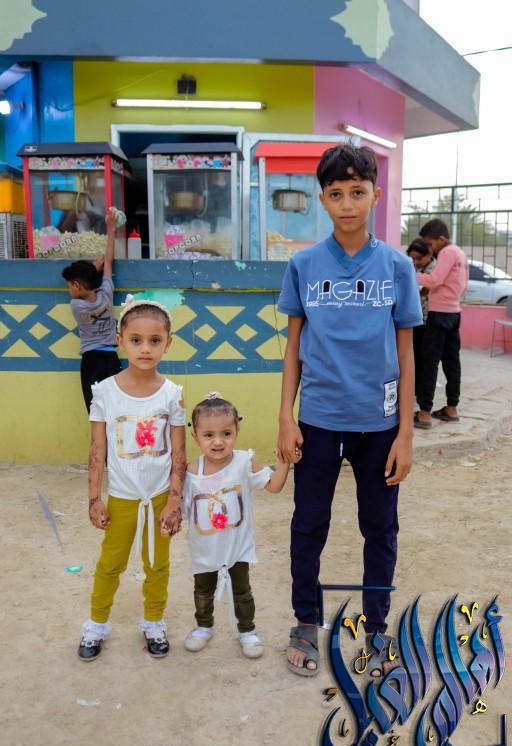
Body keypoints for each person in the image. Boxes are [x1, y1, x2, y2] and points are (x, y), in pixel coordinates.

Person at [276, 143, 422, 677]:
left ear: (375, 195)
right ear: (322, 199)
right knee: (308, 523)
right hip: (317, 419)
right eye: (335, 194)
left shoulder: (397, 267)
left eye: (357, 192)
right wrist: (286, 416)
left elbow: (406, 353)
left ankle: (377, 629)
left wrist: (405, 433)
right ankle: (305, 622)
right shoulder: (303, 265)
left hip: (379, 426)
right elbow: (293, 346)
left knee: (379, 528)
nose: (347, 204)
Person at [77, 295, 186, 661]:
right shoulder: (105, 392)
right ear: (120, 341)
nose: (145, 348)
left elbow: (179, 455)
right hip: (123, 498)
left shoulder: (172, 395)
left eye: (155, 340)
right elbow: (97, 450)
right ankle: (96, 625)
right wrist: (95, 498)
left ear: (168, 344)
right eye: (136, 340)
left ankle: (153, 622)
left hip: (159, 497)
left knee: (157, 565)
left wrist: (174, 501)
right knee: (110, 564)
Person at [182, 392, 291, 659]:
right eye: (209, 435)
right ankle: (203, 626)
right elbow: (182, 511)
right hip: (204, 550)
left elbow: (273, 486)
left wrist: (284, 463)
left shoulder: (244, 462)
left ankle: (247, 631)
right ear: (195, 436)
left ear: (237, 432)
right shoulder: (190, 472)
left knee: (242, 592)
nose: (218, 441)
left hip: (237, 548)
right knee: (203, 591)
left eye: (226, 434)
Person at [62, 208, 121, 412]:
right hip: (111, 358)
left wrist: (93, 269)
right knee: (115, 409)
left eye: (69, 285)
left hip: (91, 360)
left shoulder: (76, 306)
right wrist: (111, 229)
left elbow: (86, 284)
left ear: (77, 285)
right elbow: (109, 261)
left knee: (95, 410)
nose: (69, 290)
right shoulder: (107, 294)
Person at [414, 219, 468, 429]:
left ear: (441, 239)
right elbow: (460, 285)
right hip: (454, 312)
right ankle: (451, 408)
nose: (430, 248)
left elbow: (435, 279)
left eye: (430, 243)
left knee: (429, 362)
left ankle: (424, 413)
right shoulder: (460, 253)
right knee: (452, 362)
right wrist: (432, 290)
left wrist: (412, 275)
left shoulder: (446, 252)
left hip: (438, 315)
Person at [406, 237, 435, 404]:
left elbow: (427, 289)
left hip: (428, 320)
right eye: (413, 258)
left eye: (419, 258)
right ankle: (413, 391)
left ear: (428, 255)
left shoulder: (435, 270)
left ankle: (421, 394)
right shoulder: (410, 266)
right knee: (413, 356)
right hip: (413, 320)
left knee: (425, 359)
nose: (416, 262)